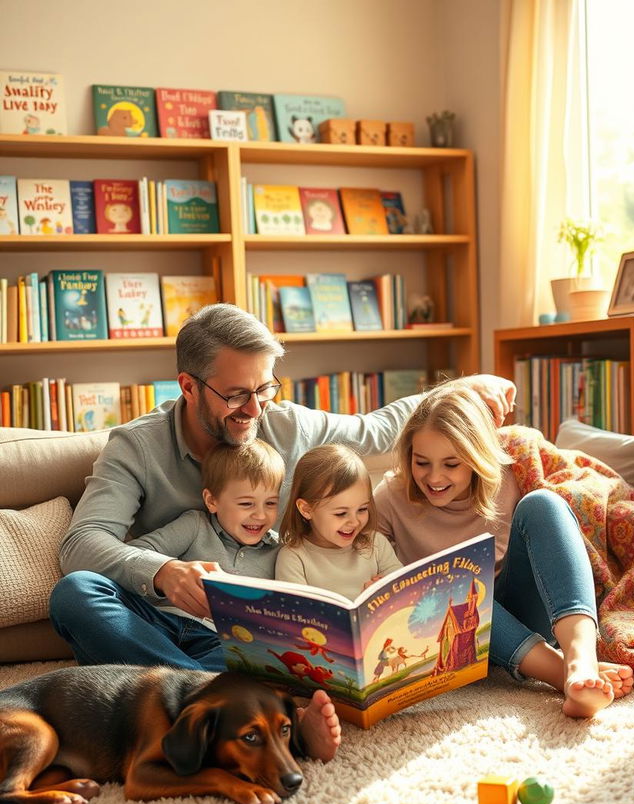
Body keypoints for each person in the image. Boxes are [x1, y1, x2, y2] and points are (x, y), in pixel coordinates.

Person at [49, 303, 515, 759]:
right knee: (76, 593)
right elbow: (82, 540)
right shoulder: (137, 447)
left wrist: (461, 390)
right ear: (188, 387)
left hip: (239, 643)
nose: (254, 409)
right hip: (157, 624)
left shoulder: (284, 423)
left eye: (265, 387)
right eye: (236, 394)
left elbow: (375, 429)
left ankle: (217, 708)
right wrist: (163, 570)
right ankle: (249, 707)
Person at [373, 379, 634, 718]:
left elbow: (571, 504)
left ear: (476, 457)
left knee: (544, 503)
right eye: (422, 462)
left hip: (529, 609)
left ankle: (581, 660)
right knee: (461, 589)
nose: (434, 478)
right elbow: (357, 553)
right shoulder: (391, 495)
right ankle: (565, 676)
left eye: (451, 464)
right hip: (459, 628)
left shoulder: (510, 474)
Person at [126, 439, 284, 622]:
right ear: (212, 501)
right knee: (87, 586)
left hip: (219, 640)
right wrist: (168, 573)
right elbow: (134, 553)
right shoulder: (195, 525)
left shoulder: (280, 550)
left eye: (271, 503)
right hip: (165, 622)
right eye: (246, 504)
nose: (260, 515)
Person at [276, 444, 402, 600]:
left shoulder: (377, 544)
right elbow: (297, 612)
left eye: (362, 509)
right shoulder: (293, 558)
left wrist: (388, 589)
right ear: (306, 510)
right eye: (341, 513)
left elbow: (404, 588)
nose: (354, 521)